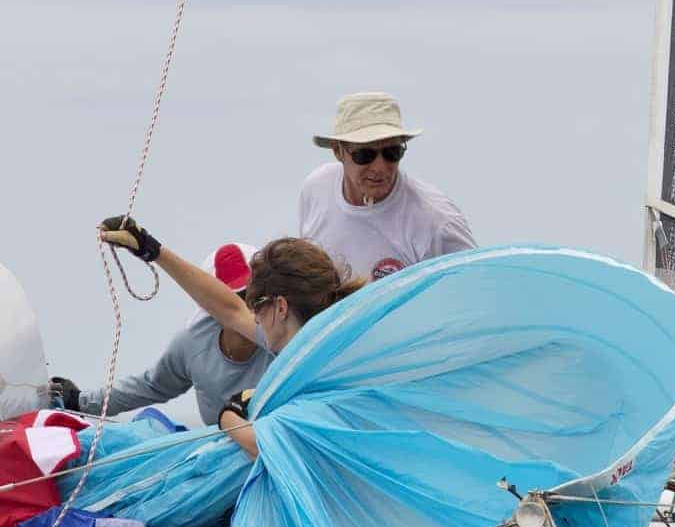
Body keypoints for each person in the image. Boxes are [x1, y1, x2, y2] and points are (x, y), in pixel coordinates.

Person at [97, 218, 364, 458]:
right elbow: (229, 309)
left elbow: (277, 452)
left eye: (254, 300)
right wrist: (150, 249)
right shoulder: (316, 341)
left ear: (281, 307)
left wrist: (229, 416)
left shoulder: (310, 363)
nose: (251, 315)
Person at [51, 243, 273, 426]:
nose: (246, 307)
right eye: (234, 298)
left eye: (252, 295)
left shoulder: (285, 337)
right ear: (208, 302)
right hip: (225, 452)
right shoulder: (192, 344)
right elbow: (150, 386)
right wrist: (80, 401)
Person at [299, 91, 476, 282]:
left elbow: (475, 286)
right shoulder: (316, 189)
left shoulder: (437, 222)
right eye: (365, 155)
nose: (380, 167)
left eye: (392, 152)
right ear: (338, 151)